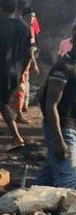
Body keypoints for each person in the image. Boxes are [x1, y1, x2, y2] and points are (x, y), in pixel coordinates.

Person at [0, 0, 35, 155]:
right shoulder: (25, 27)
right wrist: (21, 73)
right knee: (2, 104)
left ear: (1, 9)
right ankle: (17, 138)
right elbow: (30, 52)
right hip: (14, 73)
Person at [36, 24, 76, 188]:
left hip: (69, 127)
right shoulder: (63, 68)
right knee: (68, 182)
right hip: (64, 128)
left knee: (48, 176)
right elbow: (50, 104)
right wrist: (59, 140)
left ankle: (26, 204)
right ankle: (68, 214)